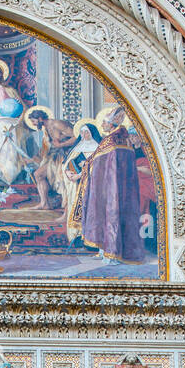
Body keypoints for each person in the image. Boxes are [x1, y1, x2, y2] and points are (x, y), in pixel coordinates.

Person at [72, 106, 146, 263]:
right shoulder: (122, 139)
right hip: (120, 188)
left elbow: (99, 163)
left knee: (110, 215)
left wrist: (87, 166)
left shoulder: (111, 140)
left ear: (111, 125)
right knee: (109, 216)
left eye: (104, 123)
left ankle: (112, 253)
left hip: (107, 187)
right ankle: (105, 250)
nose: (102, 126)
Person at [25, 106, 76, 210]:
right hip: (55, 157)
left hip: (66, 156)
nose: (33, 124)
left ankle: (64, 207)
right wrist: (32, 159)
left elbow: (77, 136)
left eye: (34, 121)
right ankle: (44, 203)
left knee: (44, 176)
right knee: (38, 174)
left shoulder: (56, 124)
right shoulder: (46, 129)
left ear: (40, 118)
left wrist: (62, 144)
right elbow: (46, 149)